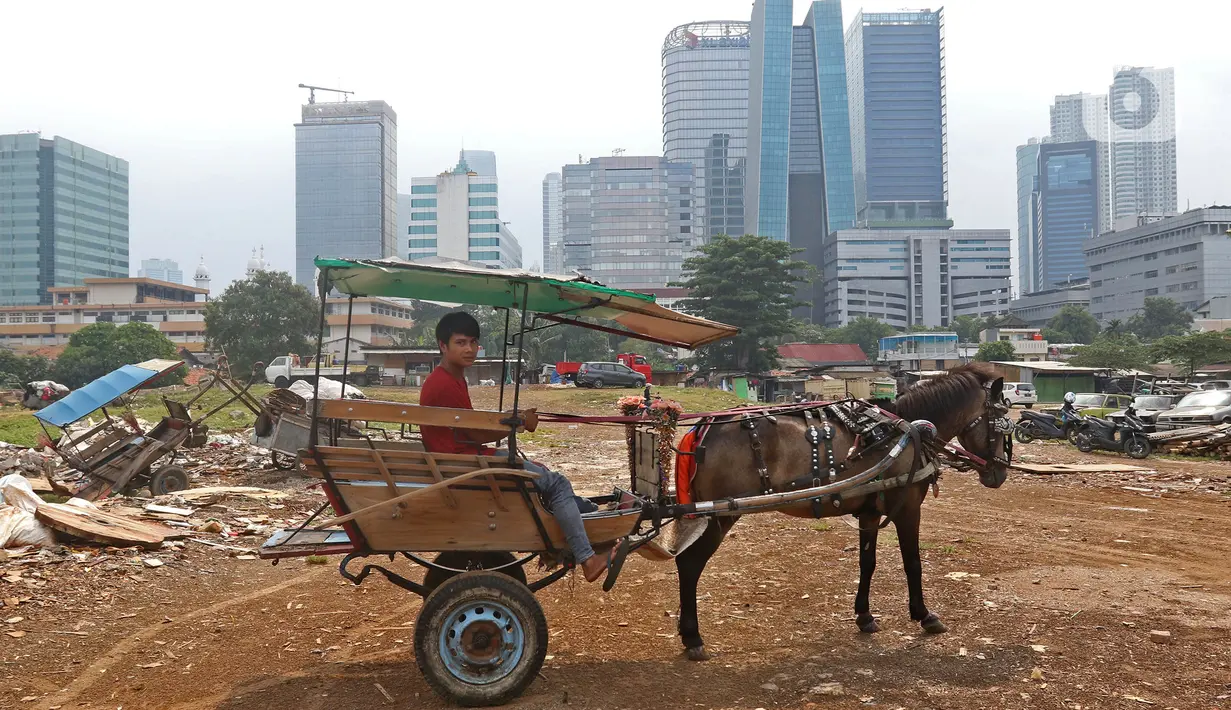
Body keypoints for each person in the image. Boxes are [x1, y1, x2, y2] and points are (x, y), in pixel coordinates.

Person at [420, 312, 617, 584]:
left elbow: (466, 427)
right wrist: (516, 423)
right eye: (461, 342)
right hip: (466, 466)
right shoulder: (444, 383)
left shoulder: (449, 377)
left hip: (462, 461)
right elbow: (473, 432)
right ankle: (588, 558)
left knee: (545, 476)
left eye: (473, 342)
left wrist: (511, 419)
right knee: (557, 484)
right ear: (443, 345)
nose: (469, 349)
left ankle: (592, 523)